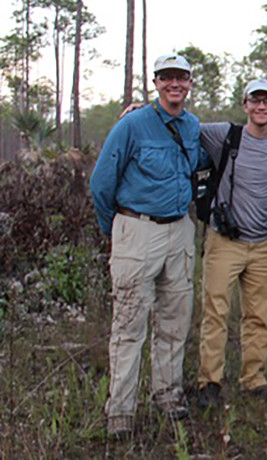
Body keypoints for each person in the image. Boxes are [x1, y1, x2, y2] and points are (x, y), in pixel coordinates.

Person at [90, 54, 209, 438]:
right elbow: (101, 183)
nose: (175, 84)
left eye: (182, 78)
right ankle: (121, 410)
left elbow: (201, 166)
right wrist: (119, 230)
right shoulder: (133, 124)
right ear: (155, 82)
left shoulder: (191, 126)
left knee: (175, 319)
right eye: (167, 77)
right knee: (128, 326)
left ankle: (168, 394)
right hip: (136, 229)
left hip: (179, 231)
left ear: (190, 83)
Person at [194, 79, 267, 408]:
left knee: (258, 316)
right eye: (256, 100)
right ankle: (209, 382)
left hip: (262, 245)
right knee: (215, 312)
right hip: (224, 241)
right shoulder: (224, 135)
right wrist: (142, 112)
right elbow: (183, 124)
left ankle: (253, 379)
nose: (262, 107)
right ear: (245, 104)